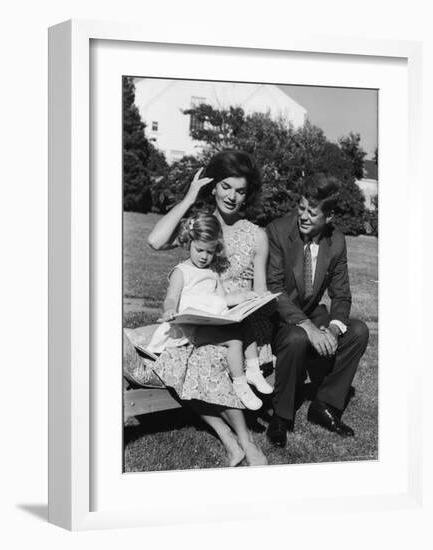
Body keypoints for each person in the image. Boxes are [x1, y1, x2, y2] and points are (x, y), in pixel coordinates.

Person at [147, 149, 272, 467]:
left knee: (205, 360)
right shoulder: (199, 226)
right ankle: (233, 439)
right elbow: (155, 240)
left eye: (240, 191)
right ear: (213, 186)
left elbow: (260, 294)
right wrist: (190, 197)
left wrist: (260, 337)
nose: (232, 196)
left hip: (235, 326)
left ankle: (245, 441)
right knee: (176, 361)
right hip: (195, 324)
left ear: (247, 196)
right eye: (226, 186)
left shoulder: (256, 235)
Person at [265, 172, 369, 448]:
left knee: (358, 331)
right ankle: (281, 416)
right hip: (277, 317)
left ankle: (324, 405)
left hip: (313, 313)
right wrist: (308, 327)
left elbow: (342, 294)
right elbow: (274, 290)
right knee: (298, 337)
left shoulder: (336, 242)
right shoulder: (277, 231)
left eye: (312, 212)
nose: (304, 216)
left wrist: (334, 329)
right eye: (301, 208)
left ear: (330, 216)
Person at [148, 211, 273, 410]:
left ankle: (253, 370)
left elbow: (223, 298)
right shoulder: (181, 271)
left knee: (245, 325)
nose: (205, 257)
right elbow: (171, 297)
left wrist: (244, 297)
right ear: (189, 242)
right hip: (189, 328)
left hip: (208, 322)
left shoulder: (212, 272)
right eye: (200, 250)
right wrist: (170, 310)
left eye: (210, 251)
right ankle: (240, 384)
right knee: (234, 340)